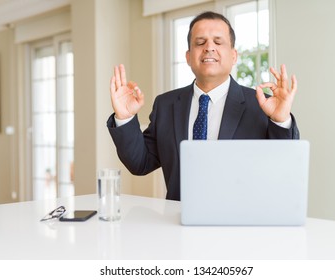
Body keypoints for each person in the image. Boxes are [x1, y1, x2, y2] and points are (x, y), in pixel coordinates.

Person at [107, 11, 299, 201]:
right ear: (189, 57)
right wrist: (124, 118)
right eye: (200, 42)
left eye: (218, 41)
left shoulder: (261, 105)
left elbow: (282, 168)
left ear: (233, 56)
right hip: (178, 223)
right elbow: (140, 163)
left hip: (241, 225)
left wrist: (280, 120)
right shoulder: (165, 105)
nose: (209, 48)